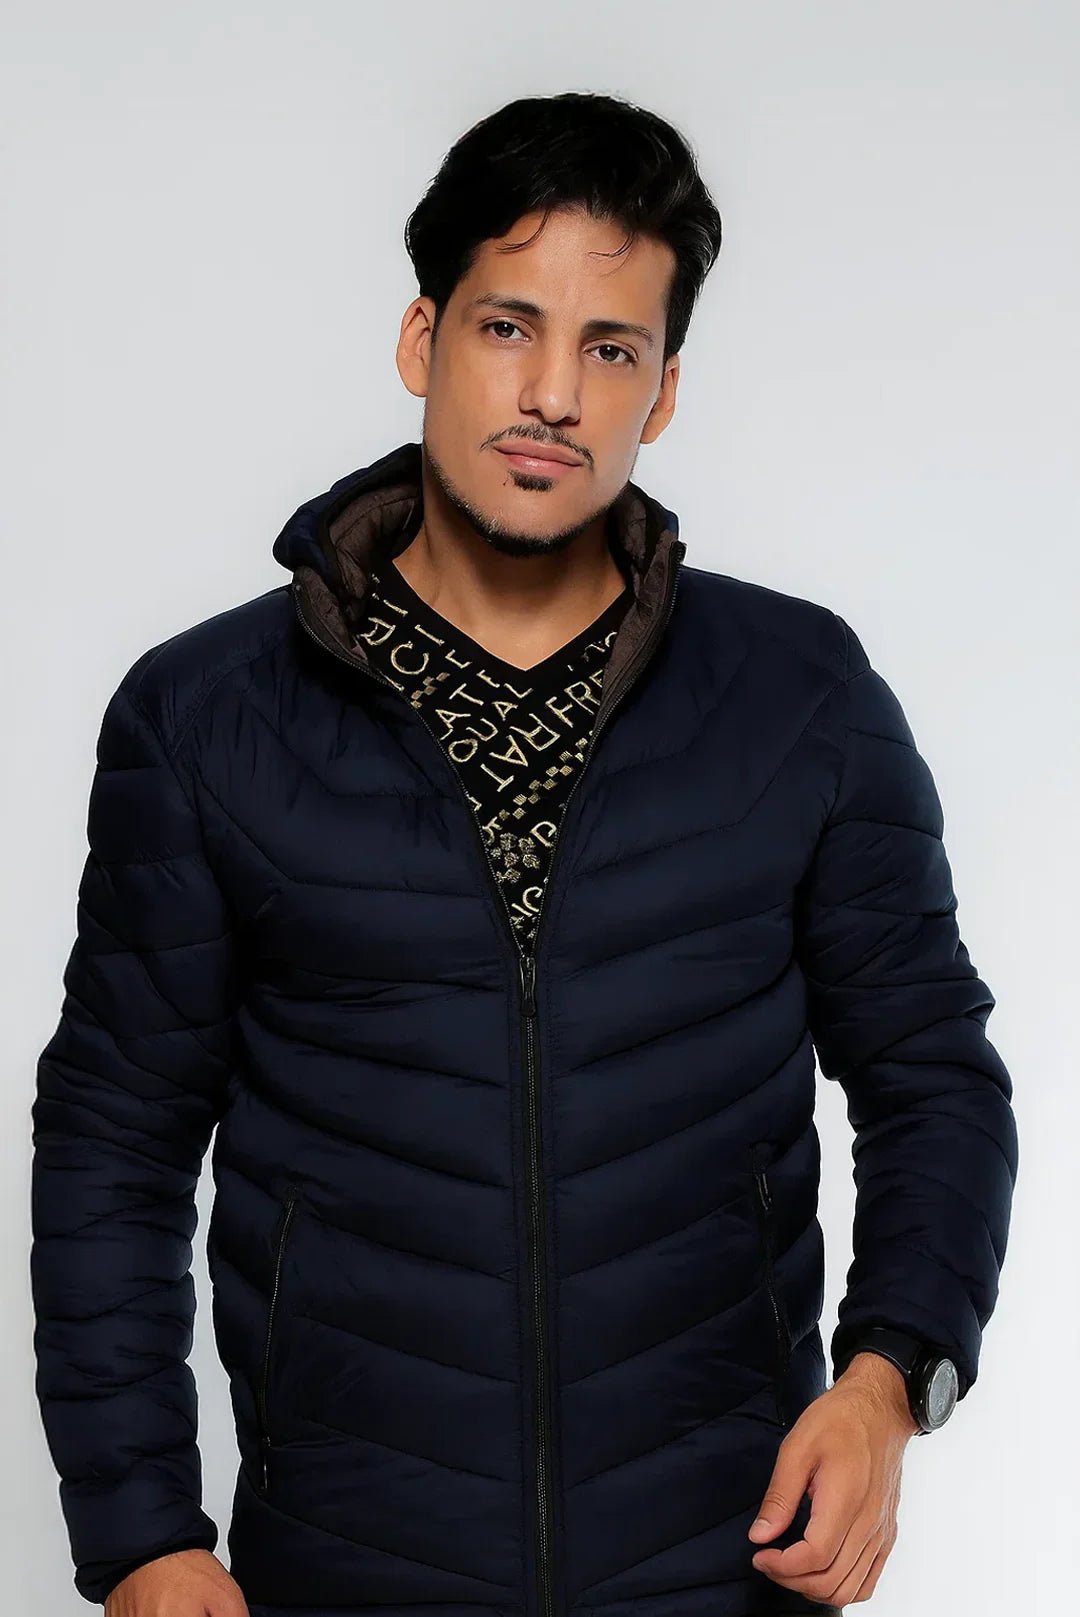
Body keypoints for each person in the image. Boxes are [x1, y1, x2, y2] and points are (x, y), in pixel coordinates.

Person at [30, 91, 1018, 1617]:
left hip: (724, 1562)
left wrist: (888, 1382)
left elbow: (934, 1075)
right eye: (509, 327)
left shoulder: (800, 699)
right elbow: (114, 1138)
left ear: (663, 393)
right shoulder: (204, 718)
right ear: (422, 338)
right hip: (347, 1570)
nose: (554, 392)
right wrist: (143, 1534)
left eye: (611, 349)